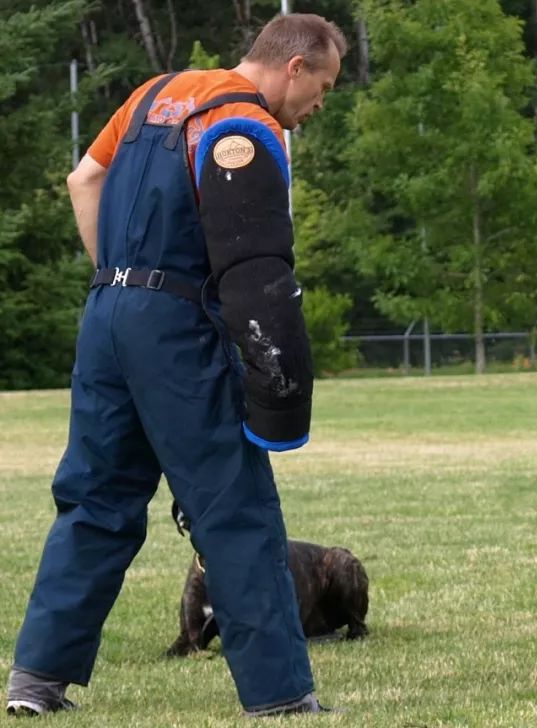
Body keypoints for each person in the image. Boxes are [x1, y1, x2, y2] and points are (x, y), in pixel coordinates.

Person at [5, 14, 346, 718]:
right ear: (294, 66)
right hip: (178, 328)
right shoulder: (243, 126)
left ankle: (35, 682)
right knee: (235, 507)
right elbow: (254, 270)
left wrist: (118, 280)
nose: (321, 105)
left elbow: (83, 179)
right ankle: (281, 697)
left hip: (107, 319)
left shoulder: (154, 94)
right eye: (325, 86)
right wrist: (275, 373)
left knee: (94, 502)